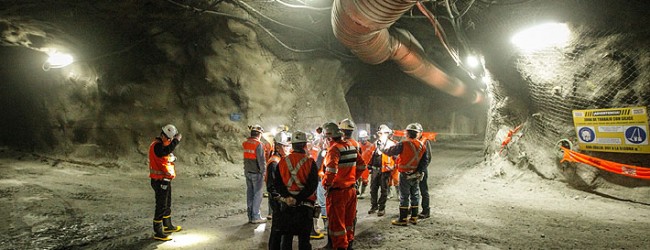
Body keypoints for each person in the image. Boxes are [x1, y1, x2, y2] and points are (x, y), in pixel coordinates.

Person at [321, 122, 366, 249]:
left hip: (338, 192)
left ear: (329, 137)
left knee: (337, 225)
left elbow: (331, 171)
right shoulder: (350, 146)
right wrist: (352, 179)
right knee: (348, 222)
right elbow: (362, 165)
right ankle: (348, 245)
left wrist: (326, 184)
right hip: (351, 190)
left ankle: (340, 247)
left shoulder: (334, 150)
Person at [272, 131, 320, 250]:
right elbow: (312, 185)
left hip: (287, 206)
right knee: (304, 240)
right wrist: (298, 198)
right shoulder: (310, 162)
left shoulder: (282, 161)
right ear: (305, 145)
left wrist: (288, 197)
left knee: (287, 239)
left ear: (292, 145)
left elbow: (277, 183)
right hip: (305, 207)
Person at [381, 123, 430, 226]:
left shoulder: (403, 144)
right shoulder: (422, 145)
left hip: (404, 174)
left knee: (404, 196)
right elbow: (424, 161)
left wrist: (382, 147)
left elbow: (390, 151)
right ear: (417, 134)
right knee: (415, 195)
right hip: (415, 175)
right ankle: (414, 218)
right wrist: (418, 172)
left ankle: (403, 219)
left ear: (407, 133)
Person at [149, 124, 183, 241]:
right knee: (161, 205)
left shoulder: (161, 145)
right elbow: (163, 152)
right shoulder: (157, 146)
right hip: (159, 181)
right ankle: (158, 232)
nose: (170, 141)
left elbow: (164, 156)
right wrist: (176, 141)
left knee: (167, 203)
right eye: (169, 139)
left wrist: (171, 158)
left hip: (165, 180)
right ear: (163, 135)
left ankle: (167, 225)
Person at [266, 131, 292, 249]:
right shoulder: (274, 162)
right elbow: (271, 186)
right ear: (277, 146)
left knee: (282, 228)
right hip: (277, 200)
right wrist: (280, 199)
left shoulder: (281, 159)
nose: (288, 148)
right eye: (285, 146)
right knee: (277, 228)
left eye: (288, 145)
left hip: (282, 199)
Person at [367, 124, 397, 217]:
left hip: (385, 170)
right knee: (373, 189)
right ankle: (374, 206)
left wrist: (393, 167)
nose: (381, 135)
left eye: (382, 133)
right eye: (380, 133)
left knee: (384, 190)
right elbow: (372, 155)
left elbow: (396, 158)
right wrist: (370, 166)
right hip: (375, 170)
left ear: (387, 134)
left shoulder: (391, 144)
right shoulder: (376, 143)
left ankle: (381, 208)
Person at [243, 124, 267, 224]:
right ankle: (256, 216)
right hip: (256, 173)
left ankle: (250, 216)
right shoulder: (258, 144)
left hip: (247, 171)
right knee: (257, 193)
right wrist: (264, 171)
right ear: (259, 134)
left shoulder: (246, 143)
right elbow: (261, 160)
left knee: (250, 193)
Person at [418, 136, 433, 219]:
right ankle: (413, 208)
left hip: (421, 169)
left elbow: (428, 157)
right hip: (412, 169)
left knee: (423, 190)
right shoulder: (409, 140)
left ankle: (426, 210)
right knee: (412, 190)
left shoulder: (425, 141)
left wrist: (422, 169)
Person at [357, 130, 372, 199]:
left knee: (365, 180)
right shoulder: (357, 144)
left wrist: (371, 165)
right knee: (357, 178)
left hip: (366, 165)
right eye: (362, 138)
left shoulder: (371, 146)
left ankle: (363, 193)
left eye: (364, 138)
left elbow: (373, 156)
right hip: (358, 164)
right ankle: (356, 191)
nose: (363, 139)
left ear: (367, 137)